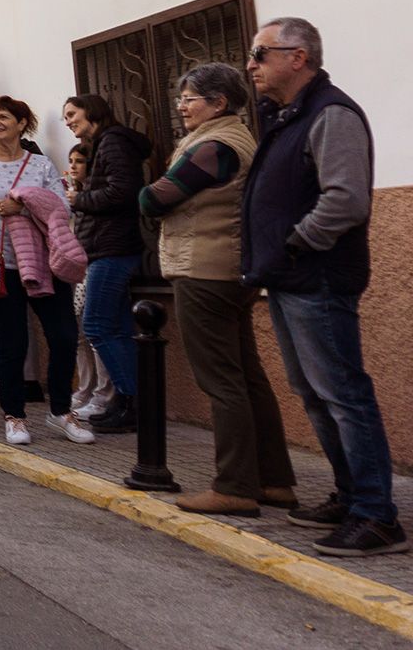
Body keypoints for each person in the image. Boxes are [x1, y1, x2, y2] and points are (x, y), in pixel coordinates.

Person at [243, 17, 401, 556]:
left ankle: (377, 515)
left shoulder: (331, 113)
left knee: (343, 394)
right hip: (291, 277)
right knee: (314, 394)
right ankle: (351, 493)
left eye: (260, 54)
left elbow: (346, 200)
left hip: (318, 276)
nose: (251, 65)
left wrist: (293, 243)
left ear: (298, 57)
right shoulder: (287, 116)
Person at [138, 63, 293, 518]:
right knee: (247, 377)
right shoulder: (239, 136)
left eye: (190, 99)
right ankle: (275, 480)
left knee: (222, 381)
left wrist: (146, 195)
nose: (181, 106)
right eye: (181, 98)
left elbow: (156, 197)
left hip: (204, 270)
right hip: (228, 268)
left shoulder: (215, 145)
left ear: (219, 102)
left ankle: (235, 486)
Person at [0, 96, 95, 448]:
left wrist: (22, 204)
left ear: (21, 123)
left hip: (45, 262)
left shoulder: (41, 165)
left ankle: (61, 411)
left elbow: (60, 206)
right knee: (12, 343)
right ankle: (14, 416)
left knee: (62, 336)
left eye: (3, 117)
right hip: (2, 265)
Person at [60, 93, 150, 434]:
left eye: (72, 113)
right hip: (108, 247)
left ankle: (133, 401)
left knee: (96, 325)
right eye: (65, 116)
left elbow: (123, 192)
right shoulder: (107, 143)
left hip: (112, 249)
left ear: (92, 111)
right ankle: (128, 402)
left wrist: (79, 199)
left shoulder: (111, 142)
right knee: (118, 328)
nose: (67, 121)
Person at [64, 143, 115, 422]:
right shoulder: (71, 195)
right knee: (80, 336)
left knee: (95, 333)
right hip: (74, 269)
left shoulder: (95, 197)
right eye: (71, 160)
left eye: (80, 161)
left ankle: (103, 394)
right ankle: (84, 389)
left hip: (93, 265)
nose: (73, 166)